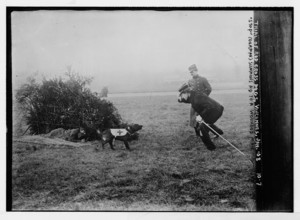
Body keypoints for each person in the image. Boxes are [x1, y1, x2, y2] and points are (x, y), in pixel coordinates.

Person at [187, 64, 212, 136]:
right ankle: (197, 134)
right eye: (190, 72)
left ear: (196, 71)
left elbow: (209, 89)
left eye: (193, 71)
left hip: (202, 102)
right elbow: (189, 91)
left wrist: (204, 97)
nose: (192, 73)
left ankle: (209, 132)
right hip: (194, 103)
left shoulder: (203, 79)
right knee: (193, 118)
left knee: (203, 118)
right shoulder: (190, 81)